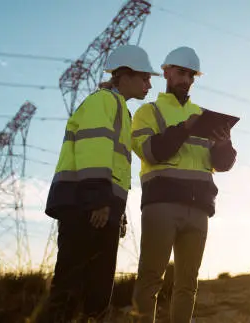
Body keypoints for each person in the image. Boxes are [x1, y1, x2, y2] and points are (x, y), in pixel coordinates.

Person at [38, 44, 160, 322]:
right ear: (125, 75)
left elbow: (113, 166)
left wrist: (117, 214)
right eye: (144, 77)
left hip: (101, 209)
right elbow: (93, 151)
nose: (149, 84)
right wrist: (99, 201)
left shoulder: (118, 109)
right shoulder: (103, 102)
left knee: (97, 289)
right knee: (72, 287)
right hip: (86, 207)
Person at [130, 46, 237, 322]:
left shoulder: (204, 115)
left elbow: (223, 165)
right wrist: (185, 128)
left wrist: (224, 145)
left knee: (188, 284)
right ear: (166, 72)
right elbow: (153, 152)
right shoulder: (148, 113)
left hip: (199, 209)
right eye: (181, 73)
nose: (186, 80)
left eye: (191, 75)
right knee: (151, 278)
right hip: (162, 205)